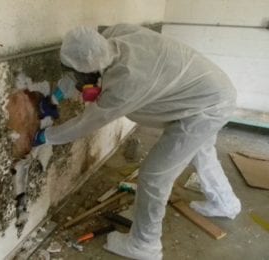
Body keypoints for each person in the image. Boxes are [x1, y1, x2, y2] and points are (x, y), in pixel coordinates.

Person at [34, 24, 241, 260]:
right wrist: (56, 96)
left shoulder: (126, 83)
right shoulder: (112, 35)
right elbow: (81, 62)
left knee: (155, 176)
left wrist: (45, 137)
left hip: (206, 108)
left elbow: (87, 122)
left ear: (95, 72)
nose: (78, 81)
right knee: (201, 150)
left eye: (82, 79)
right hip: (210, 88)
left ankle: (145, 245)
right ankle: (226, 204)